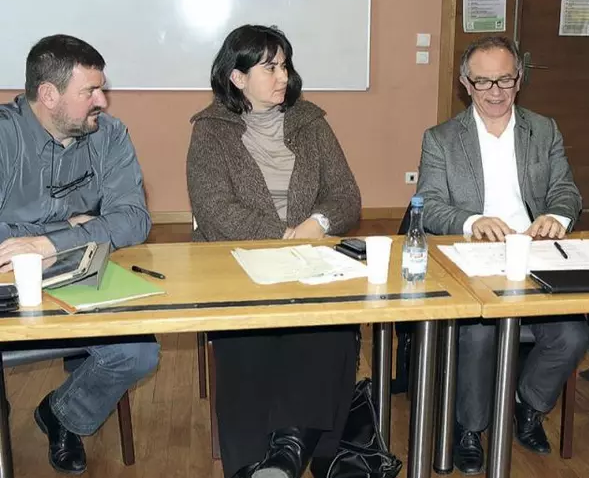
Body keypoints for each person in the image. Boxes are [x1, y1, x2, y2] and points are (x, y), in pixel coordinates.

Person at [186, 24, 361, 478]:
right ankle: (248, 463)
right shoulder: (210, 131)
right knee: (248, 338)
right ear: (237, 77)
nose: (282, 76)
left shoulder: (311, 123)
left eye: (284, 65)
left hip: (309, 255)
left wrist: (316, 224)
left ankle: (289, 449)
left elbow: (346, 196)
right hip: (236, 260)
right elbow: (215, 211)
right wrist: (284, 236)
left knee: (331, 329)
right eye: (270, 67)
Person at [415, 36, 588, 471]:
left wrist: (557, 219)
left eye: (505, 80)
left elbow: (566, 191)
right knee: (477, 334)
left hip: (535, 253)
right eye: (483, 82)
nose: (495, 91)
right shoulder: (441, 139)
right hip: (474, 259)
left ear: (520, 79)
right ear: (465, 84)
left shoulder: (543, 129)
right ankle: (470, 427)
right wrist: (473, 222)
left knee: (572, 335)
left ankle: (525, 405)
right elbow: (430, 204)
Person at [0, 34, 160, 474]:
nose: (103, 101)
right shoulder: (4, 136)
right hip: (9, 284)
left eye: (101, 88)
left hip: (81, 270)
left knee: (138, 353)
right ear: (48, 95)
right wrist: (67, 229)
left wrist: (50, 243)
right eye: (90, 90)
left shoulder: (109, 135)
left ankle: (61, 415)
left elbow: (133, 220)